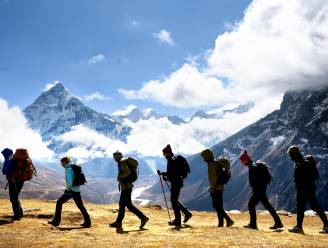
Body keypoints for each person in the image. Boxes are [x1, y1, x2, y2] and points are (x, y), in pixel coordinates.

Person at [287, 146, 328, 234]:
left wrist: (302, 189)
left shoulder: (302, 163)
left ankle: (299, 227)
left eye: (291, 154)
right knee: (304, 207)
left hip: (305, 190)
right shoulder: (300, 162)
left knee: (311, 206)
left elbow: (305, 178)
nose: (290, 157)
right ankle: (299, 226)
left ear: (294, 154)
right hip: (306, 189)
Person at [239, 150, 283, 230]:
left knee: (251, 204)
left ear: (245, 160)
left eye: (242, 161)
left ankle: (253, 224)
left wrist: (256, 189)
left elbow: (256, 180)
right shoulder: (253, 165)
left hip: (258, 190)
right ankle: (278, 222)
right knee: (267, 205)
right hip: (261, 189)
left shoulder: (252, 167)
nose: (242, 163)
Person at [109, 151, 149, 230]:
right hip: (127, 186)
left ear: (117, 157)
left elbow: (127, 172)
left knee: (122, 204)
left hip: (126, 186)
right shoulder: (123, 161)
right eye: (114, 157)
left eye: (115, 157)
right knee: (128, 205)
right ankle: (143, 217)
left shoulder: (122, 162)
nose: (114, 159)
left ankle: (118, 222)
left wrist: (119, 177)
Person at [48, 156, 91, 228]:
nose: (61, 165)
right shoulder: (73, 167)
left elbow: (70, 181)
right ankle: (88, 222)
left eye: (61, 163)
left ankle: (56, 221)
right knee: (80, 206)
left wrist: (68, 188)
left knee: (59, 202)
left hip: (71, 190)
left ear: (64, 162)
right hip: (77, 190)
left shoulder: (68, 169)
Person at [157, 144, 192, 229]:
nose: (163, 155)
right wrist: (164, 175)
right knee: (174, 200)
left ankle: (178, 221)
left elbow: (171, 173)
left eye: (164, 153)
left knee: (173, 201)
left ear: (167, 153)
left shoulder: (171, 161)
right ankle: (186, 213)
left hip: (176, 182)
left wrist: (163, 174)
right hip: (178, 181)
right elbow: (173, 173)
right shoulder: (174, 159)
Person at [201, 149, 234, 227]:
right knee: (219, 206)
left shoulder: (211, 165)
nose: (203, 159)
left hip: (216, 188)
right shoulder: (215, 163)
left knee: (216, 206)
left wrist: (212, 188)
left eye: (204, 157)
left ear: (207, 157)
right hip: (220, 187)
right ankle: (221, 223)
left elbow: (213, 179)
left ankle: (228, 220)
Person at [1, 148, 24, 221]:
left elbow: (4, 171)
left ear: (5, 154)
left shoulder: (8, 159)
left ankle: (17, 216)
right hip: (21, 180)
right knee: (15, 197)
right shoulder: (15, 158)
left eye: (3, 154)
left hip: (13, 181)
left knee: (13, 198)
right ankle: (20, 213)